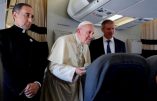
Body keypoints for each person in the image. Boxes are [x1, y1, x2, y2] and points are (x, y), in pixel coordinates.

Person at [0, 3, 48, 101]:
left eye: (32, 16)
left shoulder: (34, 42)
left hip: (34, 95)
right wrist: (23, 88)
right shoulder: (2, 36)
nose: (30, 20)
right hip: (13, 94)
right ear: (14, 15)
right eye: (27, 15)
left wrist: (37, 83)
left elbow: (40, 66)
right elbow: (5, 66)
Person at [40, 21, 94, 101]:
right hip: (58, 88)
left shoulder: (85, 46)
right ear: (79, 31)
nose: (91, 36)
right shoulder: (63, 40)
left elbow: (86, 64)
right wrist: (74, 70)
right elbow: (53, 67)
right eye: (89, 32)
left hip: (74, 86)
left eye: (92, 33)